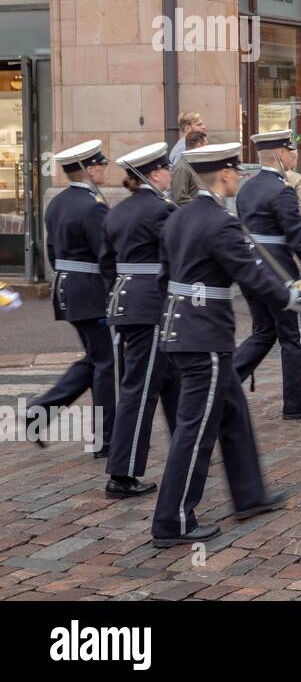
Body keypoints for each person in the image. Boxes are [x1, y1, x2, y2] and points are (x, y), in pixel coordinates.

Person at [151, 141, 301, 547]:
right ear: (223, 174)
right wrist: (295, 297)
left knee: (234, 413)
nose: (239, 176)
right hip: (204, 334)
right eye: (234, 171)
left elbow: (163, 277)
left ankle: (249, 494)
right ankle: (172, 520)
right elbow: (252, 276)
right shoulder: (220, 223)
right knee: (196, 428)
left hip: (181, 327)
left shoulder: (178, 217)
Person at [231, 130, 301, 419]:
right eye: (290, 151)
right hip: (280, 273)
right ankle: (295, 403)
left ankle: (226, 383)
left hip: (251, 270)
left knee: (263, 332)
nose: (294, 155)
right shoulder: (282, 190)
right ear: (278, 155)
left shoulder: (246, 189)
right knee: (292, 336)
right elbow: (296, 236)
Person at [99, 142, 179, 499]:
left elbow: (105, 265)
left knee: (173, 379)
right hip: (152, 307)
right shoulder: (162, 211)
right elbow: (178, 256)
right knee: (142, 387)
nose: (171, 175)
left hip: (126, 303)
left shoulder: (116, 212)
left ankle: (189, 448)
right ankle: (122, 472)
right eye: (167, 169)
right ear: (155, 173)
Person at [26, 141, 115, 454]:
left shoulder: (58, 203)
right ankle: (106, 439)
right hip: (91, 293)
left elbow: (52, 252)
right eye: (101, 164)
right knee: (107, 362)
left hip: (67, 290)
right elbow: (107, 257)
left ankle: (38, 412)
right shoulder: (93, 206)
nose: (105, 168)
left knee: (95, 358)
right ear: (90, 169)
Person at [169, 129, 207, 205]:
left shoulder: (195, 164)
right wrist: (202, 206)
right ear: (199, 145)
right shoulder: (182, 167)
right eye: (206, 145)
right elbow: (179, 198)